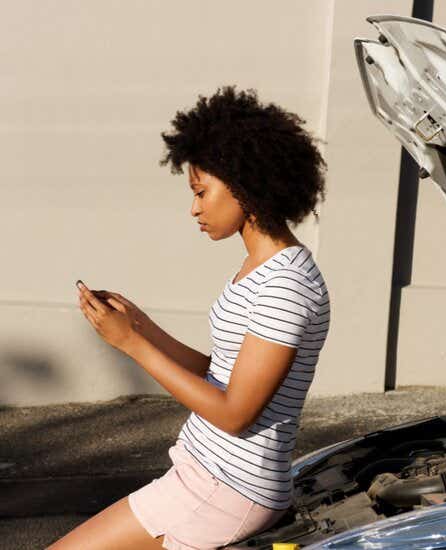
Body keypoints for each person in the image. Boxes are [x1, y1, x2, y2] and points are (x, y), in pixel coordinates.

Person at [48, 85, 330, 549]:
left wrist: (130, 345)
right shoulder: (260, 270)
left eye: (201, 191)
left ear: (246, 185)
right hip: (210, 475)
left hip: (227, 487)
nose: (194, 208)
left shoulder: (287, 286)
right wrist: (140, 325)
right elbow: (219, 375)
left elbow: (236, 413)